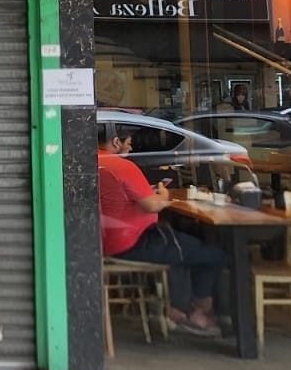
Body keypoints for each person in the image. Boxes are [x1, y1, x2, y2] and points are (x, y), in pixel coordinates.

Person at [98, 126, 228, 336]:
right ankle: (195, 314)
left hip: (102, 241)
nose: (131, 149)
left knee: (182, 245)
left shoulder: (89, 162)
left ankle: (177, 308)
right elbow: (152, 205)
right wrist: (164, 195)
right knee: (213, 255)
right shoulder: (121, 166)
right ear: (116, 142)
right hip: (131, 241)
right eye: (129, 143)